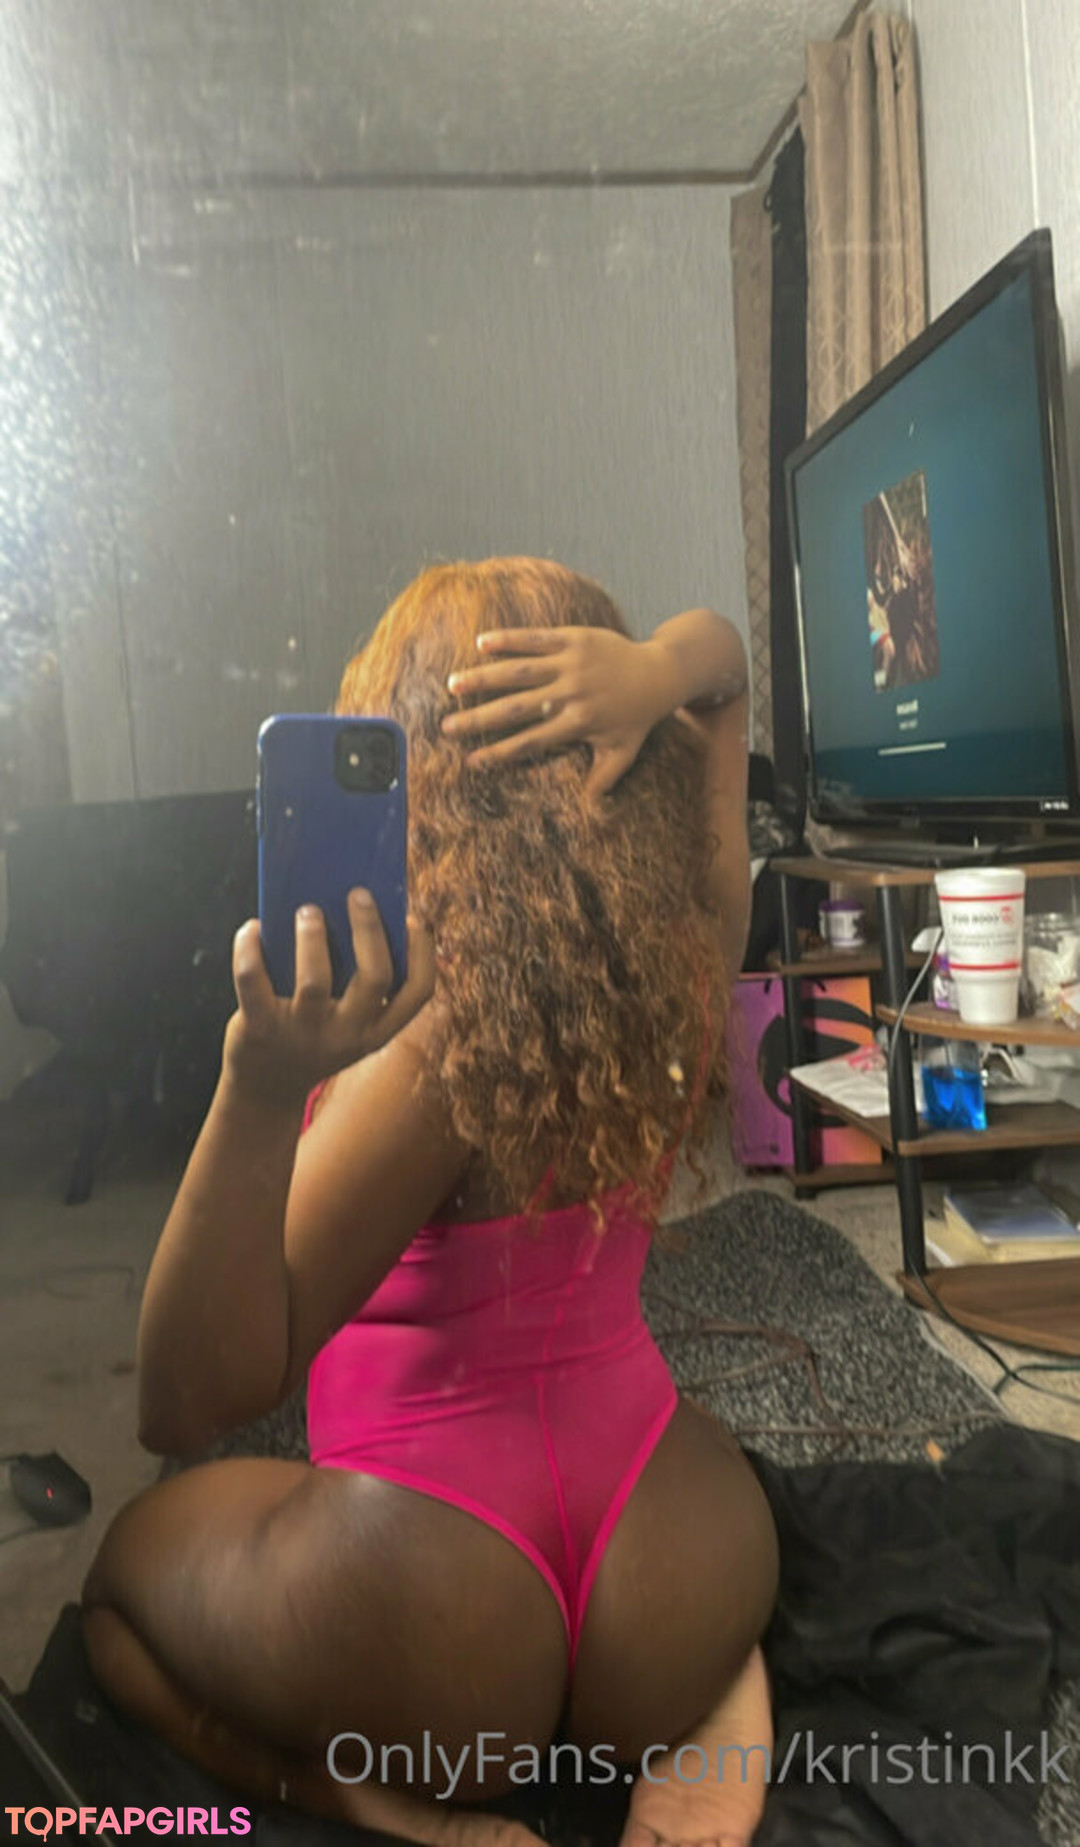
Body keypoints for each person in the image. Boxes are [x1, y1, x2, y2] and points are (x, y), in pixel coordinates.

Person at [80, 558, 780, 1847]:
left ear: (420, 789)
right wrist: (661, 672)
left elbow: (185, 1401)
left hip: (448, 1627)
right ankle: (702, 1705)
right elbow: (727, 676)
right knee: (704, 1508)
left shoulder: (433, 1056)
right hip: (674, 1558)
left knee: (117, 1590)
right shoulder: (688, 948)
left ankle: (351, 1798)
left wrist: (258, 1090)